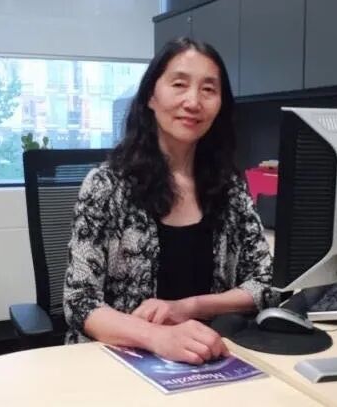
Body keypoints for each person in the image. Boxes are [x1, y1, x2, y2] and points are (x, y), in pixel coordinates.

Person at [63, 37, 279, 365]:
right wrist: (157, 337)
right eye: (179, 84)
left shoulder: (229, 189)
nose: (193, 101)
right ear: (151, 95)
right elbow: (80, 302)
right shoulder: (106, 186)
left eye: (208, 89)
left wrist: (189, 307)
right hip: (119, 362)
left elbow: (266, 284)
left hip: (207, 358)